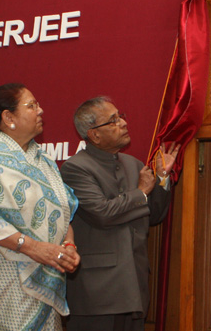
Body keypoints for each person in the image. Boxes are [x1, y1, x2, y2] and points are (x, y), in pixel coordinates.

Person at [0, 83, 80, 330]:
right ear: (8, 117)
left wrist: (68, 247)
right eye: (32, 106)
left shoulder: (46, 163)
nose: (40, 110)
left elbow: (64, 213)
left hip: (45, 278)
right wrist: (31, 247)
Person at [60, 96, 180, 331]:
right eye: (113, 121)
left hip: (134, 287)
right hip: (98, 293)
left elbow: (154, 215)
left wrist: (163, 178)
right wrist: (142, 191)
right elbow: (103, 213)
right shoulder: (75, 168)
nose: (123, 123)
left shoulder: (134, 164)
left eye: (120, 117)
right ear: (94, 134)